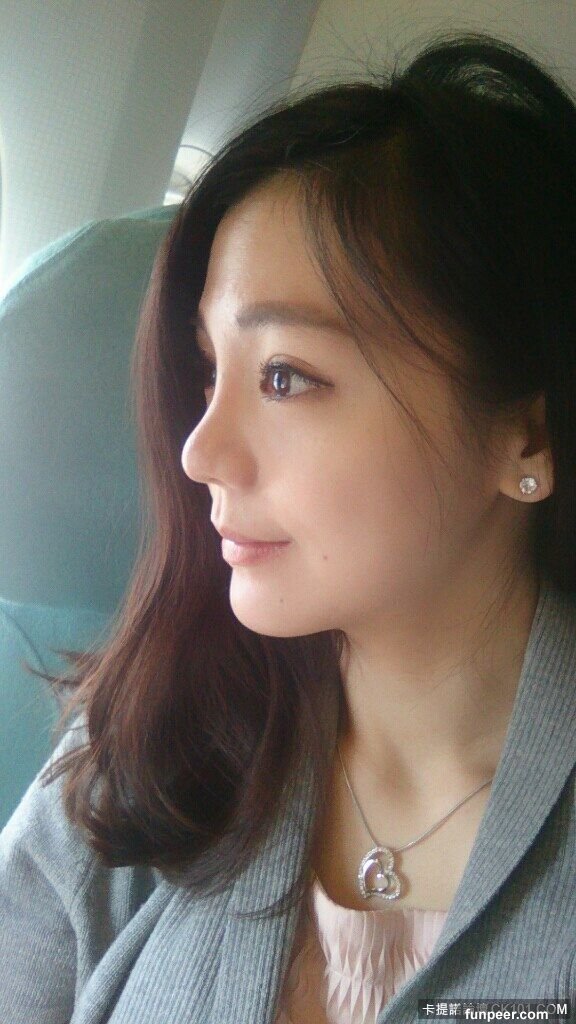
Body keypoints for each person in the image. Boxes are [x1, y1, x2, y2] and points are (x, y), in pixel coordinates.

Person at [1, 28, 575, 1024]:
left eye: (284, 376)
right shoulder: (149, 733)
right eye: (208, 371)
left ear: (523, 433)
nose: (199, 453)